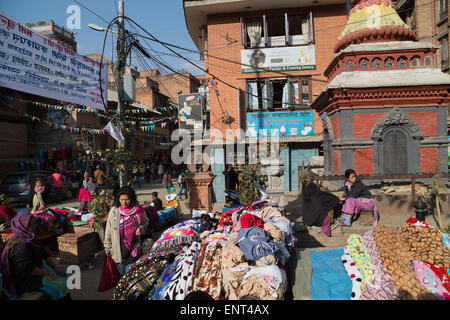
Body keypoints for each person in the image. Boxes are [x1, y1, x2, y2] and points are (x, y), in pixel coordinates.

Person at [0, 210, 70, 300]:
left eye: (34, 223)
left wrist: (55, 267)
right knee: (58, 287)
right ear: (21, 226)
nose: (33, 227)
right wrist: (46, 274)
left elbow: (44, 254)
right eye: (29, 225)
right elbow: (27, 268)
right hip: (24, 280)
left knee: (63, 278)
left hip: (35, 272)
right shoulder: (21, 246)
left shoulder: (30, 238)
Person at [104, 186, 149, 275]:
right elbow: (108, 229)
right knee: (121, 272)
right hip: (118, 247)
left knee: (130, 272)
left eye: (127, 199)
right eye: (122, 199)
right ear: (118, 199)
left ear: (132, 199)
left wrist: (141, 228)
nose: (124, 202)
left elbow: (145, 222)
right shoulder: (114, 211)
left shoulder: (138, 209)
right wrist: (107, 245)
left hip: (134, 246)